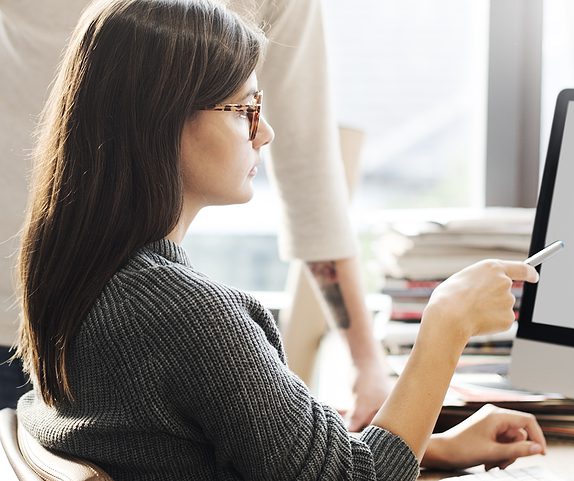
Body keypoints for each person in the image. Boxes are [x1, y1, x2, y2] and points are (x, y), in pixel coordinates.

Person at [14, 0, 546, 479]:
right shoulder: (185, 317)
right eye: (243, 110)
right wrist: (447, 323)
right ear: (163, 121)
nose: (264, 131)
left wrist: (429, 446)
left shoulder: (79, 277)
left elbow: (257, 446)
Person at [0, 0, 390, 429]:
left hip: (56, 303)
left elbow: (309, 173)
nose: (263, 133)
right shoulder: (198, 321)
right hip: (40, 318)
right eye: (243, 110)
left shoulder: (181, 312)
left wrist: (364, 362)